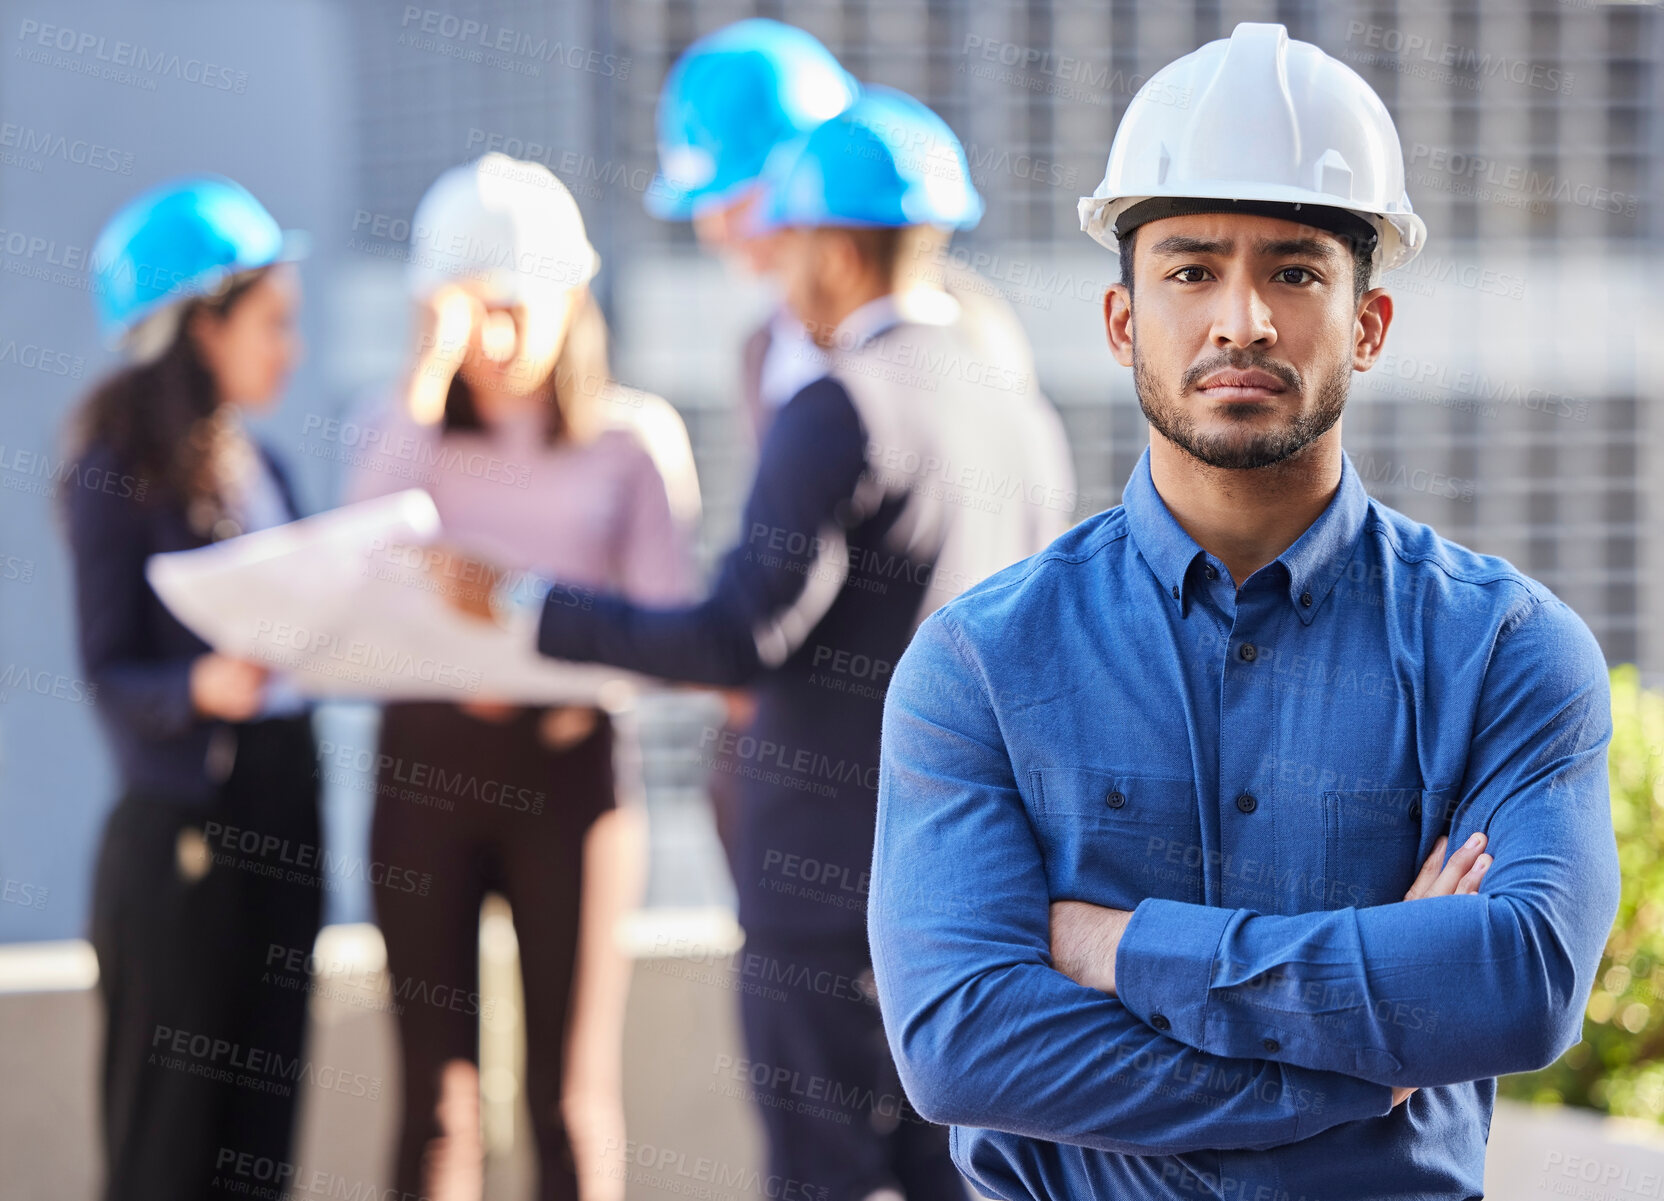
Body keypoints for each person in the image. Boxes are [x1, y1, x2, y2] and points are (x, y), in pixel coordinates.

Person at [868, 22, 1621, 1201]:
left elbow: (1515, 979)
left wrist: (1116, 947)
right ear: (1122, 323)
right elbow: (960, 1038)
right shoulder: (978, 663)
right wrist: (1349, 1066)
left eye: (1293, 269)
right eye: (1189, 269)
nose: (1241, 320)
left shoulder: (1506, 651)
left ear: (1366, 326)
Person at [453, 89, 1076, 1201]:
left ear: (831, 250)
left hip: (825, 886)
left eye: (785, 246)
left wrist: (521, 601)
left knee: (822, 1175)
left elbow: (733, 635)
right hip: (977, 885)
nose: (777, 276)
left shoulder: (836, 406)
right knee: (957, 1174)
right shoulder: (1017, 411)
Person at [343, 153, 697, 1201]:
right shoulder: (394, 429)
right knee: (434, 1101)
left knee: (566, 1100)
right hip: (422, 771)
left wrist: (518, 604)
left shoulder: (633, 440)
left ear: (567, 301)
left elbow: (671, 634)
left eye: (509, 312)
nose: (488, 345)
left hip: (571, 776)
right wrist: (420, 382)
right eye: (462, 316)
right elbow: (348, 571)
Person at [65, 176, 321, 1201]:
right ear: (198, 325)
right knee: (168, 1146)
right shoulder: (113, 472)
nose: (288, 350)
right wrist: (198, 687)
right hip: (180, 840)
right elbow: (106, 668)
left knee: (262, 1140)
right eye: (271, 323)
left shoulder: (268, 466)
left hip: (282, 813)